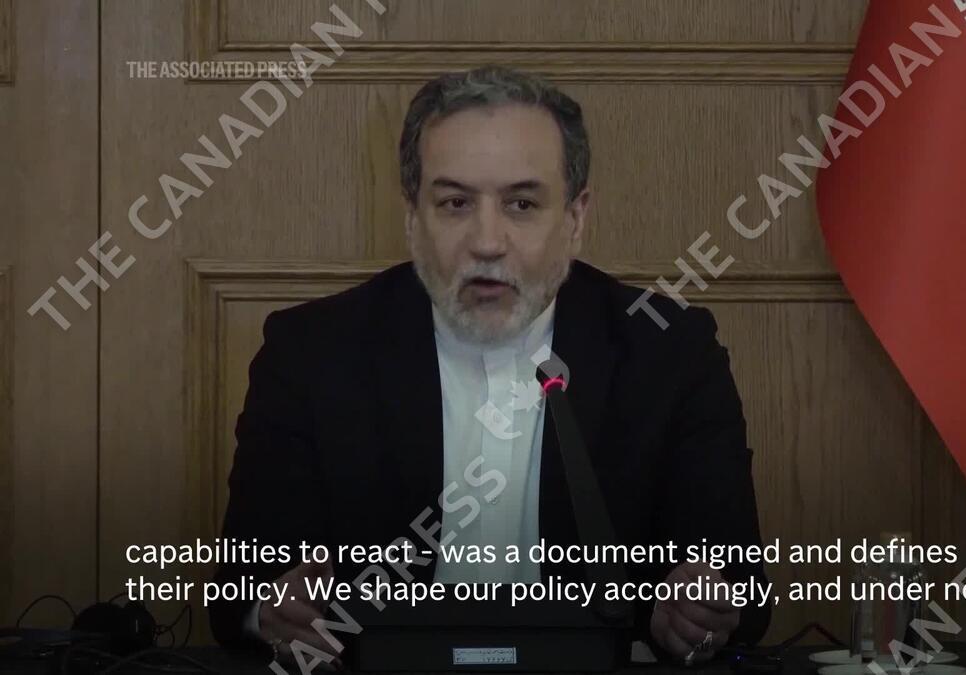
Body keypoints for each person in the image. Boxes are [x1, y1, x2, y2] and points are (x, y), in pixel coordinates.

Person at [210, 65, 768, 667]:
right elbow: (241, 589)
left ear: (576, 219)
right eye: (454, 203)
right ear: (412, 217)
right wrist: (271, 608)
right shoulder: (311, 351)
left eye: (521, 204)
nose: (487, 241)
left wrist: (697, 613)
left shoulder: (668, 350)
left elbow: (738, 588)